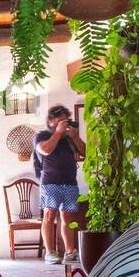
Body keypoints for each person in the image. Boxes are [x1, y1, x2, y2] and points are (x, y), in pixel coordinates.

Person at [34, 104, 85, 264]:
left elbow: (87, 152)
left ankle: (70, 251)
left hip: (70, 183)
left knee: (68, 218)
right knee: (49, 216)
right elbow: (45, 150)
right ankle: (50, 252)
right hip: (50, 183)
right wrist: (58, 132)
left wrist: (75, 137)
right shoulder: (41, 136)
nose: (65, 122)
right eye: (61, 119)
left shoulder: (70, 139)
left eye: (66, 119)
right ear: (51, 122)